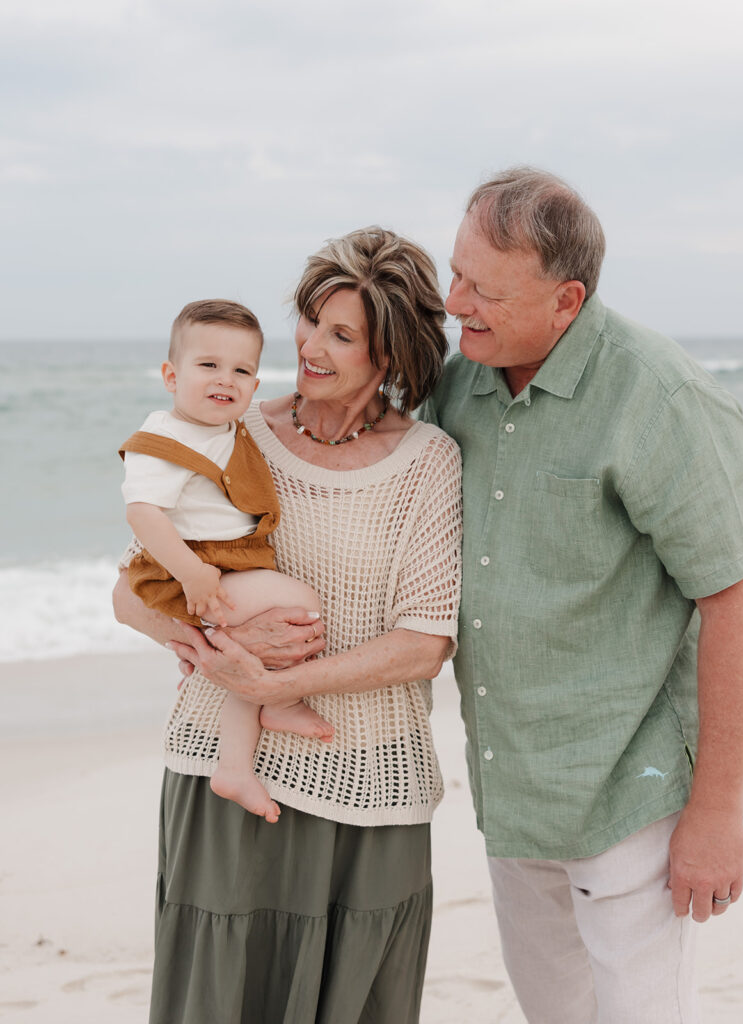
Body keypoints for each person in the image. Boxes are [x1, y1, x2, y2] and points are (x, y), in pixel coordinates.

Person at [418, 167, 743, 1023]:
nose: (455, 300)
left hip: (634, 790)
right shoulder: (457, 377)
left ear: (565, 301)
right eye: (454, 271)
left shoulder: (659, 396)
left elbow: (735, 599)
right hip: (513, 785)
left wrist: (717, 813)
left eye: (485, 290)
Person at [113, 226, 462, 1024]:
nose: (309, 346)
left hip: (370, 783)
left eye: (342, 335)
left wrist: (274, 680)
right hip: (225, 780)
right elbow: (131, 593)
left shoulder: (427, 462)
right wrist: (211, 646)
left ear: (392, 357)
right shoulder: (230, 435)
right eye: (309, 320)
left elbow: (424, 643)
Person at [120, 298, 333, 826]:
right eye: (208, 365)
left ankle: (235, 764)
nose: (226, 379)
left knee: (253, 653)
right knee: (300, 606)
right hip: (198, 570)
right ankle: (276, 706)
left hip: (225, 564)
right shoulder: (165, 437)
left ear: (256, 387)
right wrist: (193, 576)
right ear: (171, 375)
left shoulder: (227, 429)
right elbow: (143, 514)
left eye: (242, 370)